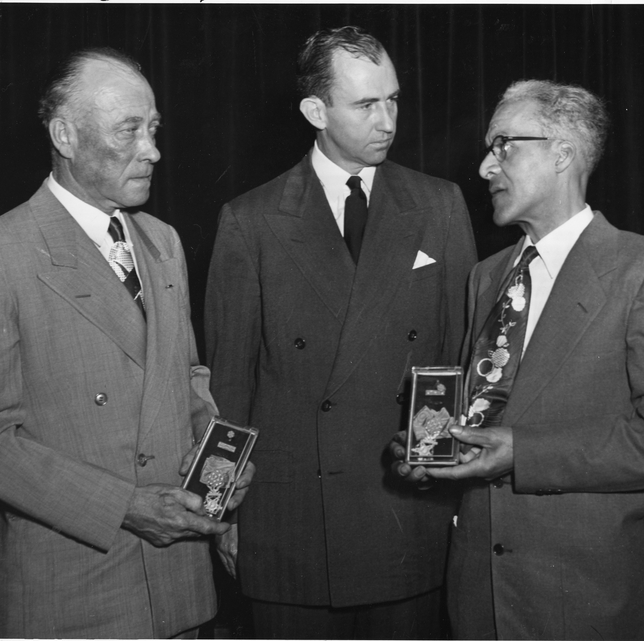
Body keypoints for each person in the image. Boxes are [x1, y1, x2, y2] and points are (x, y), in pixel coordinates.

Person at [0, 47, 253, 639]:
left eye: (153, 129)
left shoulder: (163, 242)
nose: (152, 150)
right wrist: (123, 506)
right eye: (128, 130)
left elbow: (186, 378)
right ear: (65, 135)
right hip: (75, 595)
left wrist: (219, 463)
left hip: (182, 587)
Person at [392, 79, 644, 639]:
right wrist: (436, 452)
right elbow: (485, 419)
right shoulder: (485, 277)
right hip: (474, 601)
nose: (483, 167)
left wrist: (524, 453)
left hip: (580, 603)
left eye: (503, 145)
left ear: (562, 153)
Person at [204, 25, 477, 639]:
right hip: (292, 526)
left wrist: (458, 494)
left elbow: (457, 362)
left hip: (407, 515)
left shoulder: (440, 205)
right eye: (365, 104)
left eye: (394, 99)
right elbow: (228, 387)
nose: (387, 121)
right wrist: (221, 513)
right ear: (315, 110)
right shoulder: (249, 221)